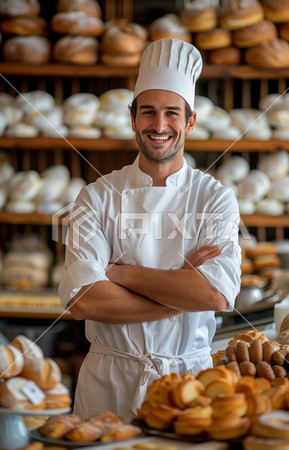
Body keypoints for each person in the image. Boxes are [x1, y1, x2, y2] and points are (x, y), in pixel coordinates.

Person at [58, 38, 241, 421]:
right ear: (132, 118)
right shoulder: (96, 197)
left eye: (172, 113)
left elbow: (214, 296)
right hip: (109, 383)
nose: (159, 126)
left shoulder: (214, 199)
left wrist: (119, 273)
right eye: (148, 112)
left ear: (190, 121)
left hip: (190, 385)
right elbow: (85, 301)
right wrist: (181, 284)